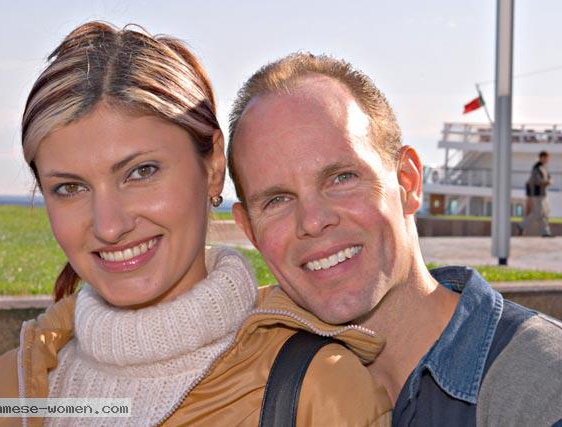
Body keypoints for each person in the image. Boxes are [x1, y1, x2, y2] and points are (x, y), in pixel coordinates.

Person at [0, 23, 391, 426]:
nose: (109, 226)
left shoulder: (319, 389)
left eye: (141, 172)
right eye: (70, 187)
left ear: (213, 166)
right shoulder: (13, 389)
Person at [226, 53, 562, 425]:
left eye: (342, 178)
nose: (314, 221)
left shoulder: (542, 387)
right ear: (250, 230)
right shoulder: (245, 392)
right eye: (277, 200)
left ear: (408, 182)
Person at [519, 151, 554, 237]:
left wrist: (549, 180)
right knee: (538, 213)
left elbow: (548, 177)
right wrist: (548, 182)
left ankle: (545, 232)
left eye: (547, 158)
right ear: (541, 158)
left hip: (542, 194)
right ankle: (521, 225)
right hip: (537, 194)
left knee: (543, 213)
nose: (547, 160)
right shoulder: (536, 168)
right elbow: (538, 181)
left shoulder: (543, 168)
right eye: (545, 158)